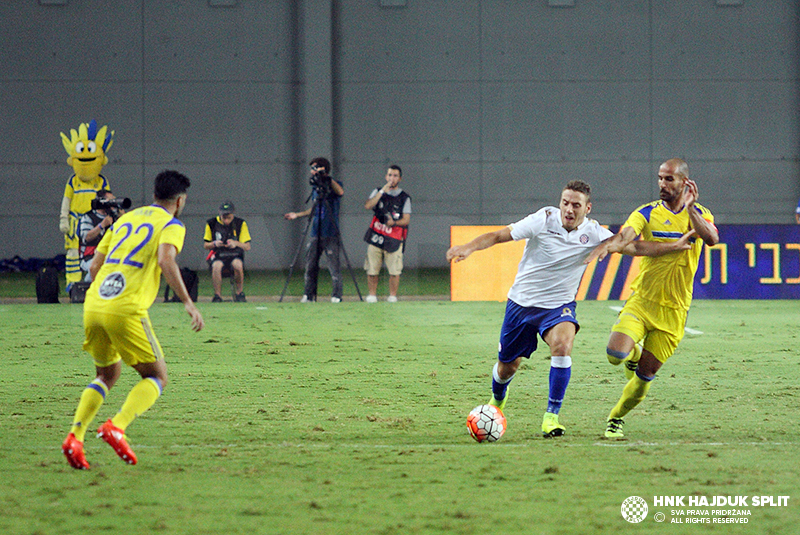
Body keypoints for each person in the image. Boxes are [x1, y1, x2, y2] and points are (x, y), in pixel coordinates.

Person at [446, 180, 690, 438]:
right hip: (521, 305)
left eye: (576, 205)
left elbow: (635, 247)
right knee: (508, 367)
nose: (569, 210)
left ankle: (551, 417)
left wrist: (672, 247)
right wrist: (469, 247)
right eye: (565, 203)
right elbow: (498, 236)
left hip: (558, 307)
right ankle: (497, 400)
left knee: (562, 346)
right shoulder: (543, 218)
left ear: (587, 208)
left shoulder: (594, 232)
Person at [62, 170, 204, 470]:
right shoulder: (171, 224)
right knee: (157, 376)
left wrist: (107, 295)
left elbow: (94, 267)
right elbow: (166, 259)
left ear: (154, 195)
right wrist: (188, 303)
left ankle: (75, 437)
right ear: (179, 201)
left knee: (107, 375)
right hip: (125, 309)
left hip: (94, 304)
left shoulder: (124, 220)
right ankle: (117, 426)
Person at [584, 158, 718, 439]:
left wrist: (691, 209)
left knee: (645, 377)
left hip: (674, 312)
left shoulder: (701, 213)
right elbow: (627, 237)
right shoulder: (646, 212)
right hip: (642, 300)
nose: (662, 184)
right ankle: (632, 354)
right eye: (660, 178)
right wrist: (611, 246)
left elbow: (712, 238)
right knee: (615, 355)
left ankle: (616, 418)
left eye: (669, 179)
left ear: (684, 182)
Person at [284, 157, 345, 303]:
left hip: (330, 233)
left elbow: (340, 192)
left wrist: (327, 178)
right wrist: (297, 215)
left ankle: (336, 295)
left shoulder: (333, 184)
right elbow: (314, 209)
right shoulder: (315, 188)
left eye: (314, 168)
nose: (311, 171)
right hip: (315, 232)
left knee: (334, 267)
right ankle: (308, 295)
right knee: (310, 265)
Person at [363, 165, 411, 303]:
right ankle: (372, 295)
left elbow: (406, 219)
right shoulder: (378, 191)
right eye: (390, 175)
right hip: (376, 236)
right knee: (372, 268)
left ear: (400, 178)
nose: (392, 178)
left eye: (395, 176)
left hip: (394, 238)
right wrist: (381, 192)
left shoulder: (404, 197)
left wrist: (394, 223)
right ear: (386, 177)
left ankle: (392, 296)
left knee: (394, 271)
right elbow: (368, 206)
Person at [204, 201, 252, 302]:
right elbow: (206, 245)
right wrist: (214, 244)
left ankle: (239, 293)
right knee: (216, 266)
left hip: (235, 255)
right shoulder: (211, 223)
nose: (226, 220)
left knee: (238, 265)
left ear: (233, 214)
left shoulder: (240, 223)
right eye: (223, 217)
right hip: (218, 255)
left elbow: (247, 246)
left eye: (228, 217)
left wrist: (236, 243)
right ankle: (217, 295)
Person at [77, 189, 118, 281]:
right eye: (110, 201)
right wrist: (102, 225)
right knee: (99, 269)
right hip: (90, 256)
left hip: (110, 255)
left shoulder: (114, 217)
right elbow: (86, 237)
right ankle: (88, 285)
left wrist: (121, 215)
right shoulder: (88, 217)